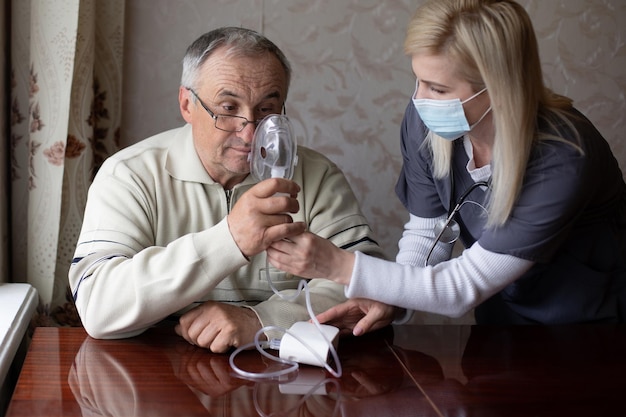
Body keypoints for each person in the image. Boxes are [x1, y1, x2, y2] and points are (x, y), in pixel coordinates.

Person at [267, 0, 626, 331]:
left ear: (499, 88)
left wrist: (339, 266)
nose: (419, 100)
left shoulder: (563, 156)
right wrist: (390, 299)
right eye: (417, 79)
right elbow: (429, 233)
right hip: (499, 322)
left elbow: (464, 286)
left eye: (438, 89)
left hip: (588, 330)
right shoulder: (427, 122)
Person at [68, 27, 384, 352]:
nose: (249, 135)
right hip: (154, 375)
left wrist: (261, 322)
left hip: (286, 382)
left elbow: (371, 292)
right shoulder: (129, 175)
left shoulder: (317, 177)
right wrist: (229, 240)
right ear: (187, 104)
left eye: (266, 110)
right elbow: (98, 306)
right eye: (229, 108)